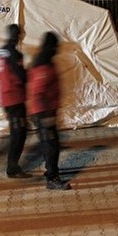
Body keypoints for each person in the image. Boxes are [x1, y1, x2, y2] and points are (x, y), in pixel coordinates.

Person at [27, 32, 70, 190]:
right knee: (51, 145)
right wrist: (45, 116)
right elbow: (37, 91)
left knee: (51, 144)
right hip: (43, 112)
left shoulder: (45, 60)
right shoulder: (43, 64)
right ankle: (52, 178)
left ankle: (50, 172)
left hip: (47, 111)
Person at [0, 24, 32, 179]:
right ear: (19, 36)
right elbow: (21, 75)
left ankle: (7, 153)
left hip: (6, 96)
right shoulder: (14, 53)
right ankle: (12, 168)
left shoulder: (1, 50)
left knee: (20, 130)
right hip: (15, 97)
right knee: (19, 133)